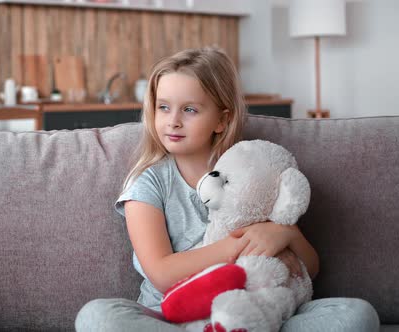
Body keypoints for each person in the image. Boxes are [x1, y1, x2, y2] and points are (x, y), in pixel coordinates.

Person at [75, 47, 379, 332]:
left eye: (190, 110)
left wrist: (284, 234)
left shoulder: (251, 170)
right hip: (170, 318)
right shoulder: (147, 182)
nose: (173, 121)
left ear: (222, 119)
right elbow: (163, 275)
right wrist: (242, 244)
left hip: (251, 312)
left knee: (357, 313)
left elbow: (308, 270)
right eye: (164, 107)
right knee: (97, 317)